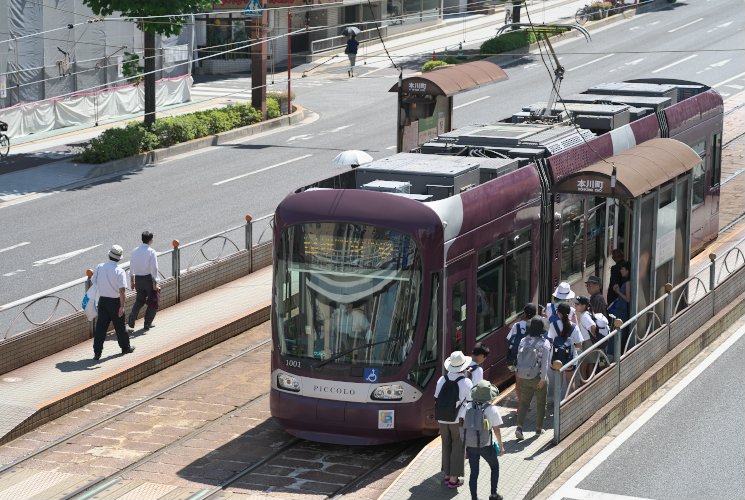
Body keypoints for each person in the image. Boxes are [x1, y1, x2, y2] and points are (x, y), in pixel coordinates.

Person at [434, 351, 473, 490]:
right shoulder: (466, 382)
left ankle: (446, 474)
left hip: (442, 419)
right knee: (458, 447)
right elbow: (470, 402)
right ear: (463, 367)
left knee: (446, 445)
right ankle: (453, 479)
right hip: (458, 420)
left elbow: (436, 398)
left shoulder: (442, 379)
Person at [459, 380, 504, 500]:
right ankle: (493, 494)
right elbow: (496, 430)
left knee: (474, 473)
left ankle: (474, 498)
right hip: (486, 446)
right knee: (494, 467)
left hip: (471, 445)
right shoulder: (492, 409)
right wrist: (501, 446)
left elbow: (462, 425)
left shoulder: (468, 406)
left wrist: (463, 448)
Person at [91, 245, 135, 360]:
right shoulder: (119, 271)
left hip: (103, 301)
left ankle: (97, 352)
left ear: (109, 255)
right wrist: (122, 306)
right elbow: (122, 291)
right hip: (115, 302)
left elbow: (93, 281)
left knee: (100, 327)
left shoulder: (100, 267)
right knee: (120, 327)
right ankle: (125, 348)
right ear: (119, 258)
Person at [514, 316, 551, 440]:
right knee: (541, 403)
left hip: (524, 376)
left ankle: (519, 427)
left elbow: (519, 358)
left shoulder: (523, 341)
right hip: (538, 376)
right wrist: (543, 379)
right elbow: (545, 363)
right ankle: (538, 429)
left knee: (524, 403)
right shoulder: (544, 343)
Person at [546, 302, 583, 396]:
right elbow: (579, 345)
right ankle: (570, 405)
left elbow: (551, 340)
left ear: (558, 313)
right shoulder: (574, 327)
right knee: (570, 382)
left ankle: (557, 405)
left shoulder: (553, 325)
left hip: (555, 358)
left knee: (558, 383)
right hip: (570, 359)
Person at [128, 230, 160, 331]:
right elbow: (154, 268)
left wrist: (132, 281)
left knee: (139, 300)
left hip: (138, 279)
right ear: (150, 240)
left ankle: (132, 316)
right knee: (153, 301)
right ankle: (147, 323)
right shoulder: (151, 252)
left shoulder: (134, 251)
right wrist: (156, 281)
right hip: (148, 279)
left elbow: (131, 267)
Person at [505, 303, 537, 405]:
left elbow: (509, 339)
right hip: (531, 359)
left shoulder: (517, 325)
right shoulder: (537, 325)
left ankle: (522, 405)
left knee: (518, 383)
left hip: (518, 359)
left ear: (524, 313)